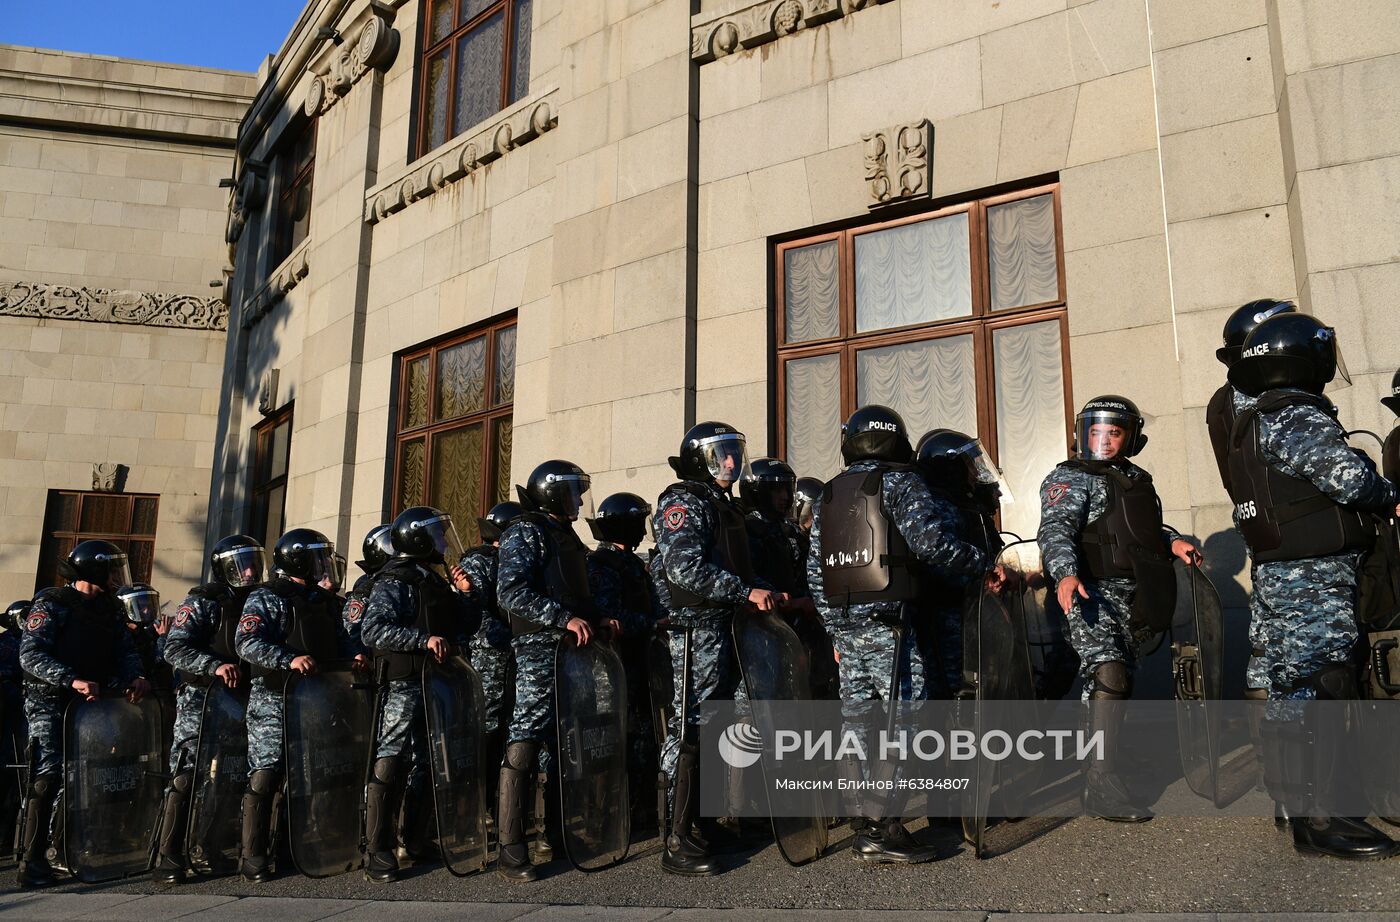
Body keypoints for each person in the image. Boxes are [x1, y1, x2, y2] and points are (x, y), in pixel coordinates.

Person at [1228, 312, 1400, 859]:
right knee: (1322, 686)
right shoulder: (1298, 413)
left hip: (1283, 573)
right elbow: (1346, 477)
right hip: (1314, 578)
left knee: (1291, 691)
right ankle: (1326, 819)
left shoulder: (1255, 417)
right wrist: (1386, 489)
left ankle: (1302, 811)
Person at [807, 405, 989, 864]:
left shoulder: (830, 491)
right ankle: (881, 829)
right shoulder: (902, 482)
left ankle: (861, 821)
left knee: (857, 725)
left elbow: (813, 573)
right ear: (897, 439)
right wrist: (984, 565)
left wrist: (833, 631)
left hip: (847, 629)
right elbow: (931, 543)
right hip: (890, 625)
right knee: (903, 725)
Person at [1037, 395, 1201, 822]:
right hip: (1090, 593)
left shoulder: (1136, 479)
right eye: (1096, 431)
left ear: (1130, 437)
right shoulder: (1070, 477)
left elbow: (1141, 532)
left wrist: (1174, 542)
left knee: (1118, 682)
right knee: (1108, 673)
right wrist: (1066, 574)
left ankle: (1104, 764)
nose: (1105, 440)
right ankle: (1100, 783)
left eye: (1114, 432)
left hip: (1135, 594)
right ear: (1082, 434)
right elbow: (1055, 531)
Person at [654, 422, 775, 876]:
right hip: (697, 632)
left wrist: (762, 590)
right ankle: (677, 836)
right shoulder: (681, 500)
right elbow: (684, 567)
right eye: (721, 454)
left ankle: (704, 823)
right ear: (698, 459)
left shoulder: (722, 505)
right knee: (690, 727)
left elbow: (735, 565)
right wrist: (743, 592)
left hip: (728, 628)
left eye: (733, 452)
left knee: (719, 723)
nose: (731, 462)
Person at [496, 460, 613, 881]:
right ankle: (510, 847)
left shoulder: (565, 536)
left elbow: (574, 589)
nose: (580, 500)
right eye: (572, 492)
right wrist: (562, 617)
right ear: (551, 493)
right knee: (526, 737)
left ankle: (558, 834)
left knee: (564, 741)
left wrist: (597, 619)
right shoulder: (525, 530)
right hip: (540, 651)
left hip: (572, 650)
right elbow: (511, 592)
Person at [16, 541, 150, 888]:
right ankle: (31, 860)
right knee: (48, 777)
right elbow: (30, 655)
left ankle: (70, 848)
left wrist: (136, 678)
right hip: (50, 701)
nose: (114, 577)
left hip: (95, 702)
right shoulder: (52, 604)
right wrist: (70, 679)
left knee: (90, 774)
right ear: (93, 570)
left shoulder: (110, 608)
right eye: (110, 569)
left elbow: (125, 650)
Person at [234, 528, 363, 882]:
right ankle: (253, 854)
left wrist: (355, 656)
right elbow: (246, 642)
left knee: (306, 774)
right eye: (317, 556)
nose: (323, 563)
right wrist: (287, 658)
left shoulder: (322, 601)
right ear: (298, 559)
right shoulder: (269, 596)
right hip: (273, 701)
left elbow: (341, 639)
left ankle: (295, 848)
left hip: (316, 700)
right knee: (266, 774)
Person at [361, 506, 476, 883]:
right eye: (438, 535)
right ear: (419, 538)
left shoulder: (432, 579)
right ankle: (377, 849)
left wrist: (467, 595)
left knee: (428, 760)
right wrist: (422, 640)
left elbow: (462, 626)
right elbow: (374, 630)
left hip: (435, 682)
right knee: (391, 760)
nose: (444, 541)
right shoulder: (396, 580)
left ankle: (415, 839)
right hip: (403, 683)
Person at [154, 535, 266, 883]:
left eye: (254, 561)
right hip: (200, 700)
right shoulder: (204, 600)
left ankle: (210, 845)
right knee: (186, 775)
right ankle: (168, 856)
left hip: (241, 701)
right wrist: (213, 665)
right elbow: (174, 647)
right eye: (242, 562)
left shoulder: (259, 600)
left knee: (227, 776)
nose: (250, 569)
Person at [1206, 299, 1298, 717]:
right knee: (1295, 637)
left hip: (1266, 522)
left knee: (1269, 633)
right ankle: (1290, 758)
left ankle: (1276, 752)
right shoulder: (1257, 394)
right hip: (1291, 524)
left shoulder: (1233, 396)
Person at [586, 492, 665, 829]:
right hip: (614, 666)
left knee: (643, 738)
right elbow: (610, 616)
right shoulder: (602, 565)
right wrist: (650, 624)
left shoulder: (632, 563)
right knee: (614, 739)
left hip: (639, 662)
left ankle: (641, 809)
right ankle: (606, 815)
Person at [911, 429, 1007, 699]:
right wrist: (982, 575)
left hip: (974, 614)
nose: (977, 474)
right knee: (954, 693)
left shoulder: (965, 505)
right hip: (947, 618)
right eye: (969, 465)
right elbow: (942, 564)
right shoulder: (938, 506)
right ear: (949, 466)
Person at [740, 458, 837, 700]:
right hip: (764, 632)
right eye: (776, 490)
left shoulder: (789, 530)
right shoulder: (747, 530)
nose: (785, 496)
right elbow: (750, 583)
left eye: (787, 489)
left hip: (799, 628)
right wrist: (792, 602)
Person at [460, 501, 525, 805]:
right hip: (490, 656)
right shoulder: (480, 562)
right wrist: (509, 637)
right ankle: (479, 802)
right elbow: (477, 614)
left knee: (510, 725)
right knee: (488, 726)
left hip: (513, 655)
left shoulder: (508, 559)